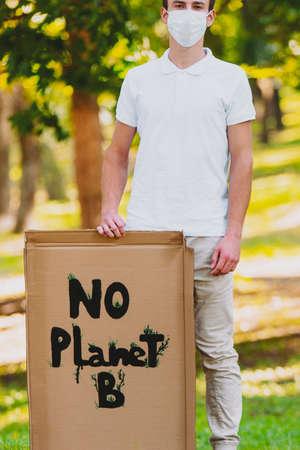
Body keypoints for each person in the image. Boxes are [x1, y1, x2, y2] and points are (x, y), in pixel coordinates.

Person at [97, 0, 256, 448]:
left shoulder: (232, 78)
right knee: (147, 351)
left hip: (210, 237)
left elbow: (243, 160)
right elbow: (117, 152)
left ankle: (225, 443)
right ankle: (157, 440)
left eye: (198, 5)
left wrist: (234, 232)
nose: (188, 13)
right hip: (149, 238)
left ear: (209, 16)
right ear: (165, 16)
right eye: (179, 5)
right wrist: (110, 208)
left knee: (218, 353)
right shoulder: (139, 79)